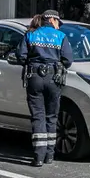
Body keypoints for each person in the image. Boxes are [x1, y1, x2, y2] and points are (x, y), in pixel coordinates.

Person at [16, 9, 73, 167]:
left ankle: (38, 157)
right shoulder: (61, 36)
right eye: (58, 23)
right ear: (53, 20)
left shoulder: (31, 34)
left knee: (38, 116)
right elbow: (68, 59)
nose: (59, 26)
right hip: (54, 78)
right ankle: (49, 155)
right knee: (51, 117)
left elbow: (20, 56)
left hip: (34, 78)